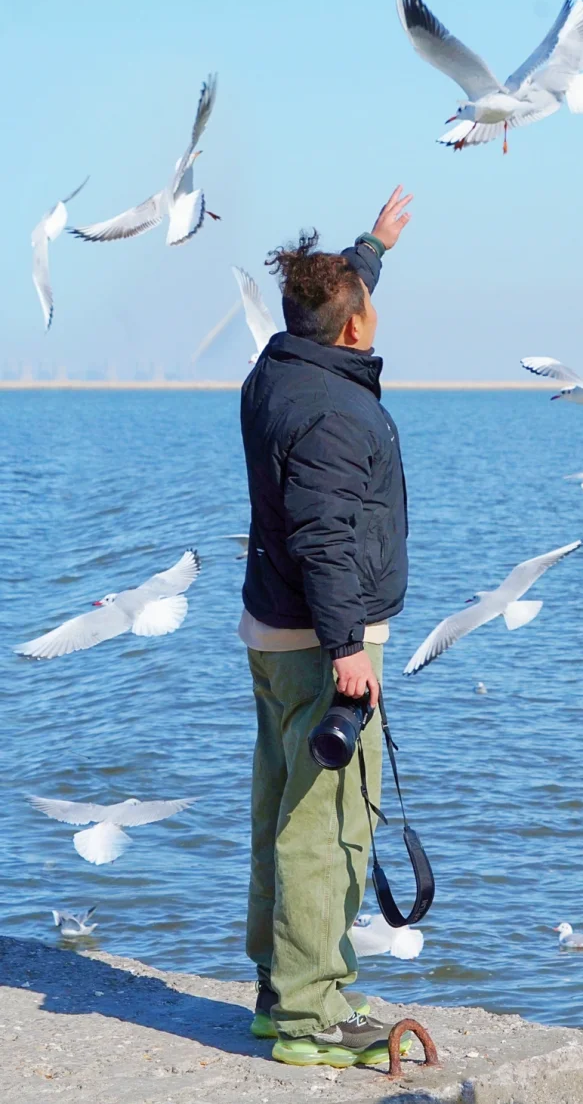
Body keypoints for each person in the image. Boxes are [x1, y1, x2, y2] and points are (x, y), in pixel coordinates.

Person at [238, 185, 413, 1069]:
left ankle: (282, 989)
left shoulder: (278, 370)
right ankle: (311, 1018)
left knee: (281, 807)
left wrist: (371, 246)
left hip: (273, 633)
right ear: (352, 329)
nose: (372, 309)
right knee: (326, 823)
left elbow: (329, 295)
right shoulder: (336, 414)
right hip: (321, 645)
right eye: (365, 299)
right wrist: (349, 646)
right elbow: (324, 536)